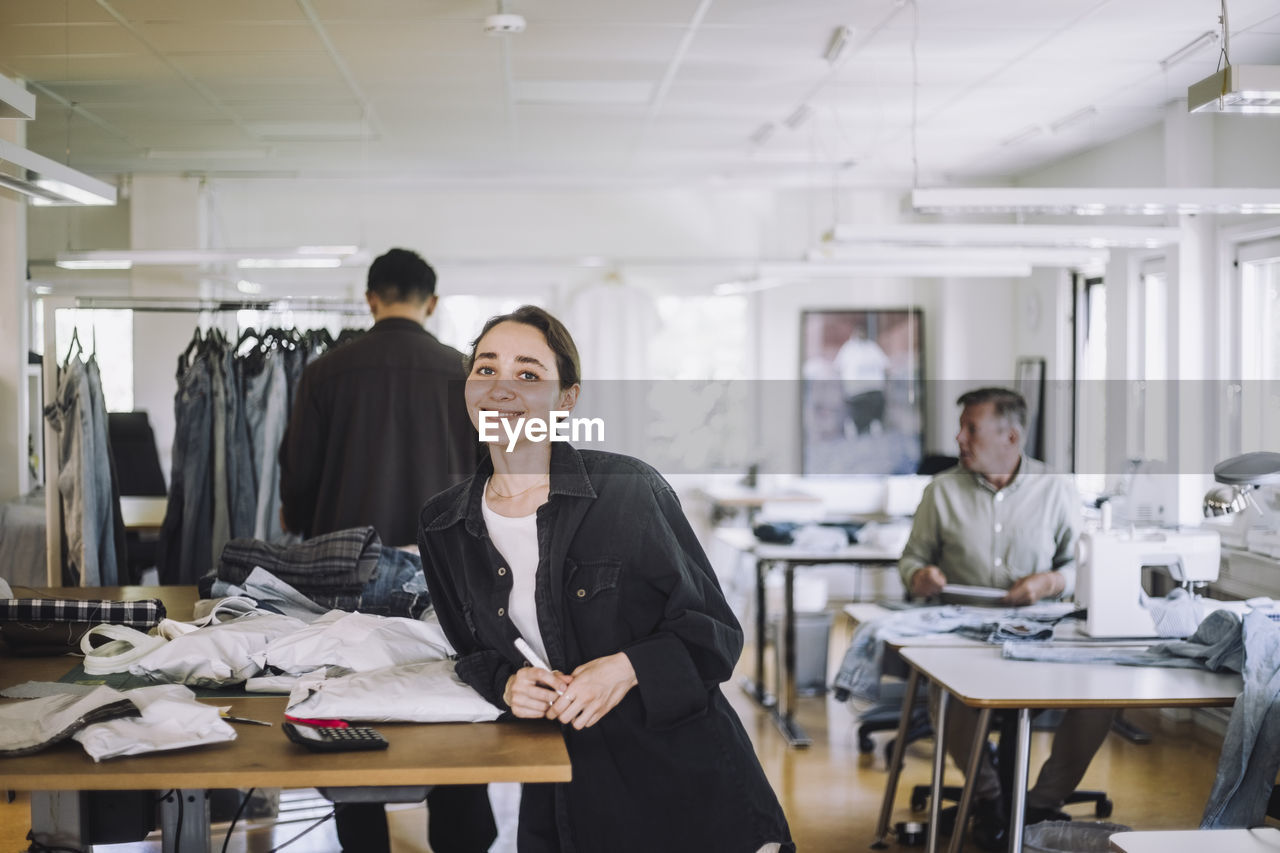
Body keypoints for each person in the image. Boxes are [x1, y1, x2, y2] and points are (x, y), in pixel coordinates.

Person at [417, 305, 793, 853]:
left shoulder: (629, 490)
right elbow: (469, 652)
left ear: (565, 399)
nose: (502, 387)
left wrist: (625, 668)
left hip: (681, 777)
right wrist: (505, 683)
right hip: (561, 783)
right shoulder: (443, 522)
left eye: (527, 374)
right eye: (485, 368)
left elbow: (715, 635)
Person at [278, 247, 496, 853]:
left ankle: (363, 836)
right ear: (431, 302)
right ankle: (461, 837)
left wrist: (300, 524)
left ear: (371, 298)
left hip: (350, 566)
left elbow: (298, 476)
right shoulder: (466, 373)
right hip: (447, 569)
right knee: (456, 690)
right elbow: (492, 472)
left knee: (351, 695)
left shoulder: (326, 372)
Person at [899, 386, 1114, 851]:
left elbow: (1078, 568)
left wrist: (1047, 583)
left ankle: (1040, 802)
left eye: (970, 428)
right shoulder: (941, 491)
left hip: (1041, 631)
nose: (958, 438)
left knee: (1103, 696)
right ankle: (990, 797)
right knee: (950, 699)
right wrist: (922, 576)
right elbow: (910, 560)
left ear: (1011, 437)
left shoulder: (1055, 489)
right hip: (963, 630)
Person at [833, 324, 889, 437]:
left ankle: (871, 424)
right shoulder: (850, 348)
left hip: (869, 388)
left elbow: (886, 365)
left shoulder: (871, 347)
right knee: (859, 406)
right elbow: (886, 366)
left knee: (870, 403)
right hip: (862, 388)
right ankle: (862, 425)